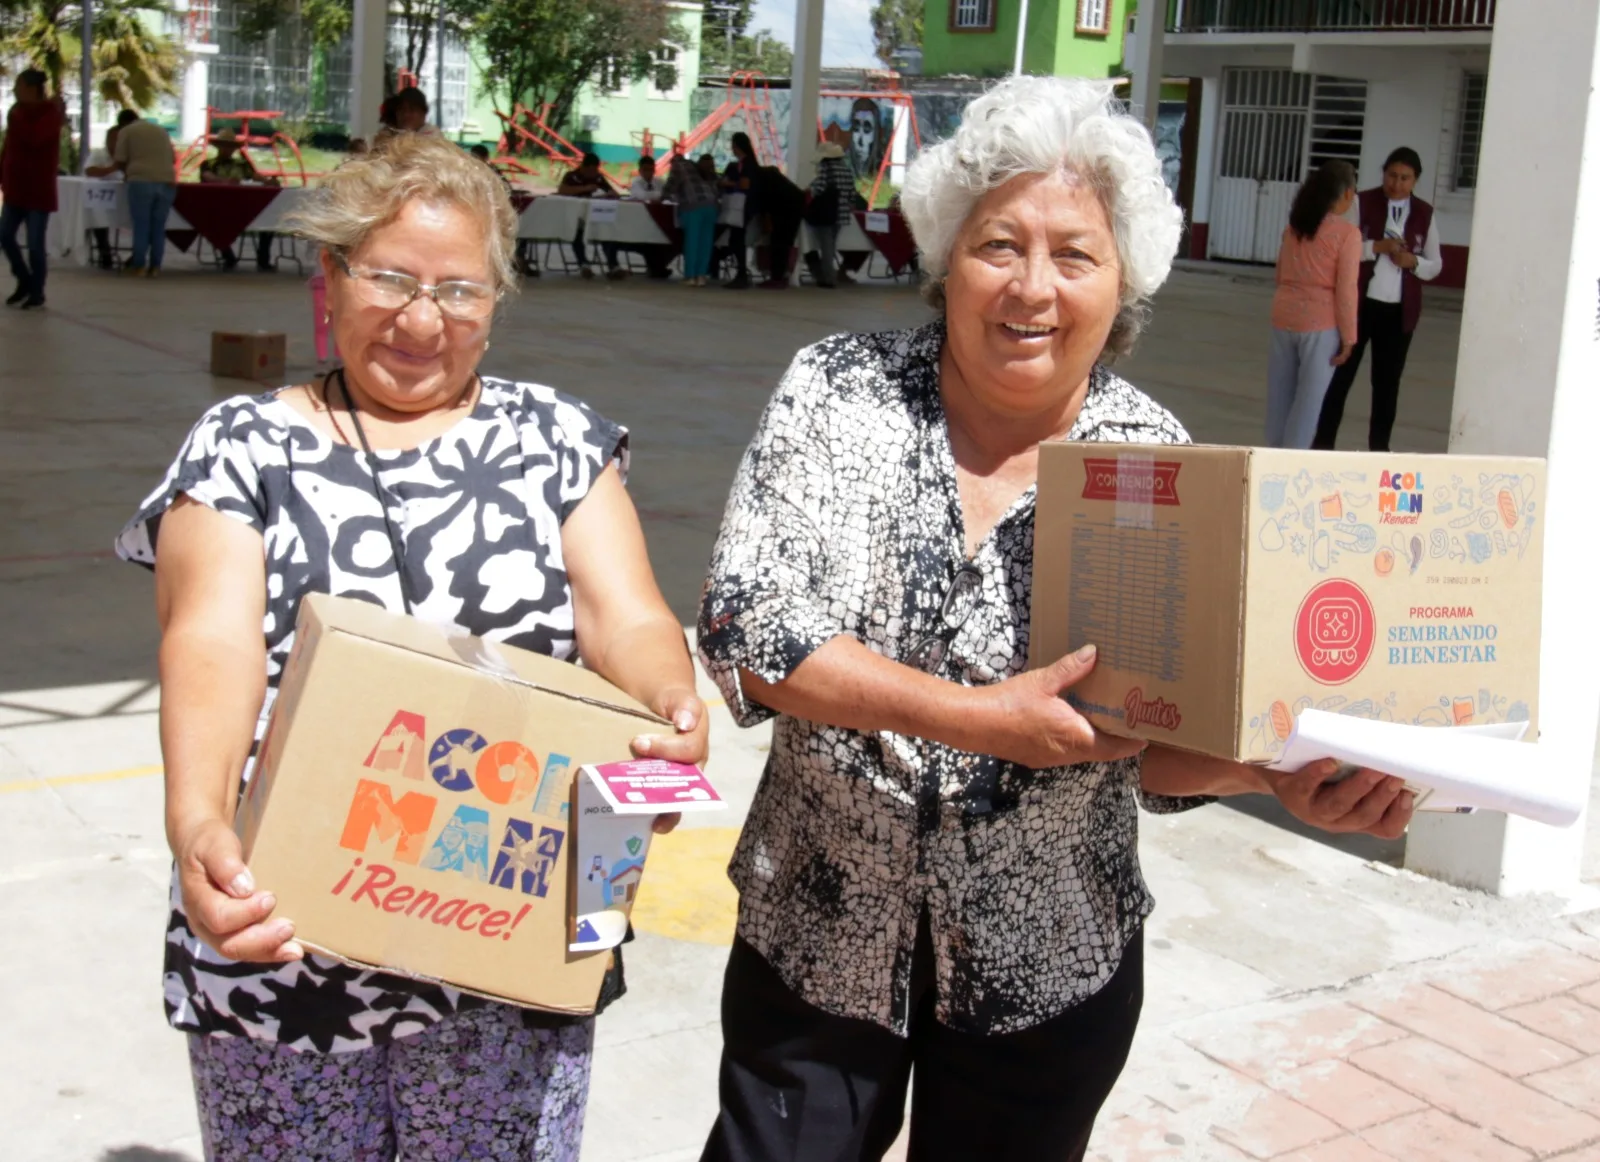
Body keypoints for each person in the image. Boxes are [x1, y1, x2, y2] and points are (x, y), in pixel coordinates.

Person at [695, 76, 1415, 1162]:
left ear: (1121, 285)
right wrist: (978, 717)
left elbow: (1145, 746)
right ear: (947, 260)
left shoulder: (1158, 466)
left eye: (1074, 254)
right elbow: (748, 622)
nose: (1031, 286)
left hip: (1044, 966)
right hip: (817, 932)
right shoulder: (841, 389)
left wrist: (1269, 770)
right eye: (999, 245)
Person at [114, 132, 708, 1160]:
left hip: (513, 928)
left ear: (495, 303)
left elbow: (629, 617)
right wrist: (198, 819)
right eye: (389, 277)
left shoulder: (558, 438)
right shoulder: (243, 445)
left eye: (460, 291)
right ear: (331, 279)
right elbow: (210, 642)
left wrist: (671, 699)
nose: (422, 318)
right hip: (287, 937)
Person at [1313, 146, 1443, 451]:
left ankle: (1379, 451)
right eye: (1392, 175)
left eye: (1405, 178)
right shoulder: (1361, 202)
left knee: (1386, 385)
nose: (1397, 183)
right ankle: (1322, 445)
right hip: (1360, 307)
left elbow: (1435, 264)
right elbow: (1342, 248)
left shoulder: (1425, 213)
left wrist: (1414, 263)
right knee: (1339, 379)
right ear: (1383, 173)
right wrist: (1377, 248)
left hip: (1399, 312)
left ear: (1415, 180)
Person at [1265, 160, 1360, 448]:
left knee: (1279, 397)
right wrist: (1349, 337)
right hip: (1320, 323)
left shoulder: (1295, 227)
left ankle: (1270, 459)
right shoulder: (1347, 235)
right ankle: (1293, 466)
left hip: (1283, 315)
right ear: (1345, 194)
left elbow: (1280, 273)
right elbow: (1346, 290)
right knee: (1308, 403)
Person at [1, 68, 66, 309]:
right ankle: (24, 279)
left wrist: (17, 119)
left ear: (31, 88)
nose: (15, 90)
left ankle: (37, 290)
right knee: (5, 236)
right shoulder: (16, 112)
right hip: (15, 187)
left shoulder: (50, 113)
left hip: (38, 188)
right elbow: (9, 146)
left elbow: (35, 139)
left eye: (19, 85)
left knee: (36, 244)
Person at [198, 128, 279, 271]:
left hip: (245, 207)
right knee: (209, 221)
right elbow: (207, 176)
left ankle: (263, 259)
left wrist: (267, 181)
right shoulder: (208, 163)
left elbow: (255, 176)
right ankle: (228, 257)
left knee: (269, 218)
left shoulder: (242, 165)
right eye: (224, 146)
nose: (227, 149)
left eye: (230, 146)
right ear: (218, 147)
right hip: (218, 207)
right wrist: (225, 181)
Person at [113, 107, 178, 277]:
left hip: (141, 180)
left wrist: (127, 173)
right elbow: (173, 158)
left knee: (141, 225)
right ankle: (156, 266)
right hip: (167, 181)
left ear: (122, 123)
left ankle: (139, 265)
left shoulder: (126, 131)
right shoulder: (161, 130)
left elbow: (119, 159)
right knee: (158, 226)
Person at [558, 151, 624, 281]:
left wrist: (609, 194)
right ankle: (584, 265)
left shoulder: (598, 178)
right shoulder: (571, 176)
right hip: (576, 218)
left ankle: (613, 266)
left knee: (608, 232)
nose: (594, 173)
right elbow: (562, 190)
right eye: (592, 170)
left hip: (597, 217)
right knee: (576, 232)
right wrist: (585, 188)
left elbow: (613, 192)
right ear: (585, 167)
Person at [805, 141, 856, 289]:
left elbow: (818, 189)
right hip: (841, 215)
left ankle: (829, 279)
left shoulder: (825, 169)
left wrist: (807, 191)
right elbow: (852, 194)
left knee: (826, 248)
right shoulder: (847, 170)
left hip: (825, 214)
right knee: (831, 246)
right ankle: (827, 276)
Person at [665, 152, 720, 287]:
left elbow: (670, 187)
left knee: (692, 242)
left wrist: (662, 196)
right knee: (705, 242)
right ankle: (701, 276)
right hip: (712, 207)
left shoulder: (678, 166)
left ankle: (690, 276)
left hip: (693, 207)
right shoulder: (696, 167)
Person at [749, 164, 805, 289]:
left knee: (778, 245)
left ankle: (776, 278)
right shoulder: (786, 186)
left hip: (783, 216)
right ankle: (781, 275)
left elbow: (766, 204)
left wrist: (766, 220)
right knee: (785, 246)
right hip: (794, 214)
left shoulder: (767, 185)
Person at [719, 132, 759, 288]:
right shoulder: (745, 163)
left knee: (736, 240)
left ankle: (742, 273)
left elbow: (745, 185)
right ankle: (741, 272)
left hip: (743, 206)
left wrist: (727, 184)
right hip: (743, 207)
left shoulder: (747, 164)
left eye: (734, 146)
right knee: (736, 240)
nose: (733, 149)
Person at [625, 155, 672, 279]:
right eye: (645, 169)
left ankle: (658, 267)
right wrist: (658, 196)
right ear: (640, 170)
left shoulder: (660, 181)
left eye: (651, 169)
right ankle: (657, 268)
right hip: (639, 223)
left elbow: (668, 194)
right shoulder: (636, 182)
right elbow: (641, 195)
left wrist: (653, 196)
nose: (649, 173)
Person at [85, 124, 124, 269]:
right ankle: (105, 251)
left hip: (125, 196)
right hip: (102, 197)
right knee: (98, 214)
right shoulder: (98, 153)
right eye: (113, 138)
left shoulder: (128, 155)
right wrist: (112, 168)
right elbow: (90, 171)